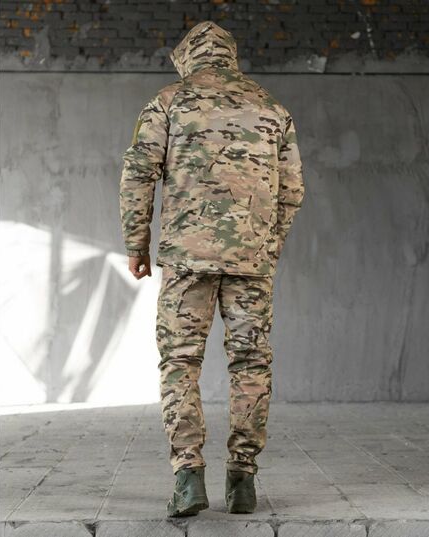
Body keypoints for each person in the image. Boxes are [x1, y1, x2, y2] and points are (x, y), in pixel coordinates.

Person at [119, 20, 305, 517]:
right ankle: (243, 480)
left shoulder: (168, 102)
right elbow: (292, 189)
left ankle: (188, 478)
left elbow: (138, 174)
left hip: (186, 260)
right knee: (251, 363)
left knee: (180, 362)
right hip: (251, 261)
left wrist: (136, 243)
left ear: (188, 57)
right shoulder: (271, 108)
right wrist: (267, 246)